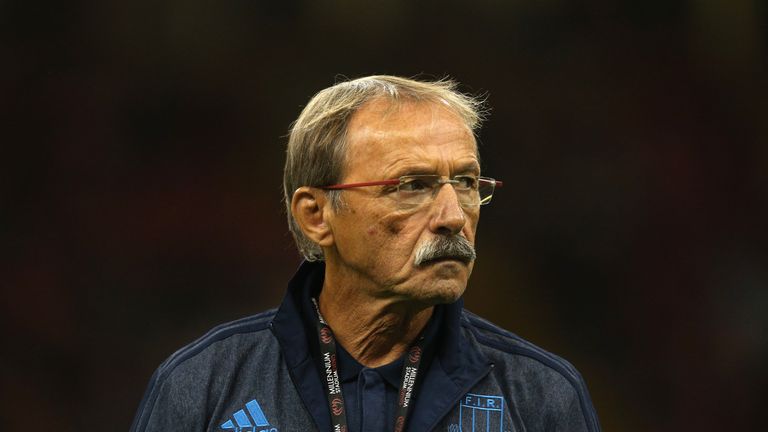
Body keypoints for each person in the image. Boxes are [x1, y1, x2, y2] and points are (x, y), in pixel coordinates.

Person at [130, 75, 601, 432]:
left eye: (465, 183)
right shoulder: (205, 387)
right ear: (317, 215)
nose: (454, 215)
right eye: (413, 186)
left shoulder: (541, 398)